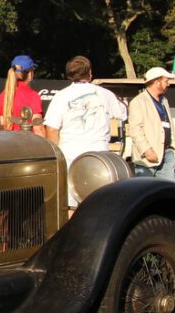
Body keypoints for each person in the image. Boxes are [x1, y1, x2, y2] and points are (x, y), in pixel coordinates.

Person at [43, 56, 126, 208]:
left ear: (69, 75)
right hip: (99, 158)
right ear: (90, 73)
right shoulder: (106, 94)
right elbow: (122, 113)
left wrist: (56, 159)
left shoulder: (61, 96)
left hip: (70, 157)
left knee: (70, 205)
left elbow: (52, 129)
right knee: (99, 204)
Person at [128, 66, 175, 181]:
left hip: (167, 153)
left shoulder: (164, 100)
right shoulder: (138, 102)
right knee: (146, 189)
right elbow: (135, 129)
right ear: (157, 82)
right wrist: (146, 150)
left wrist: (174, 148)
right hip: (148, 157)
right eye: (166, 81)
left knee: (167, 189)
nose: (168, 84)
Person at [0, 54, 45, 134]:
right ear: (30, 74)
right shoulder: (33, 95)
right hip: (27, 141)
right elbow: (38, 129)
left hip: (7, 141)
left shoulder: (3, 95)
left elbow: (2, 125)